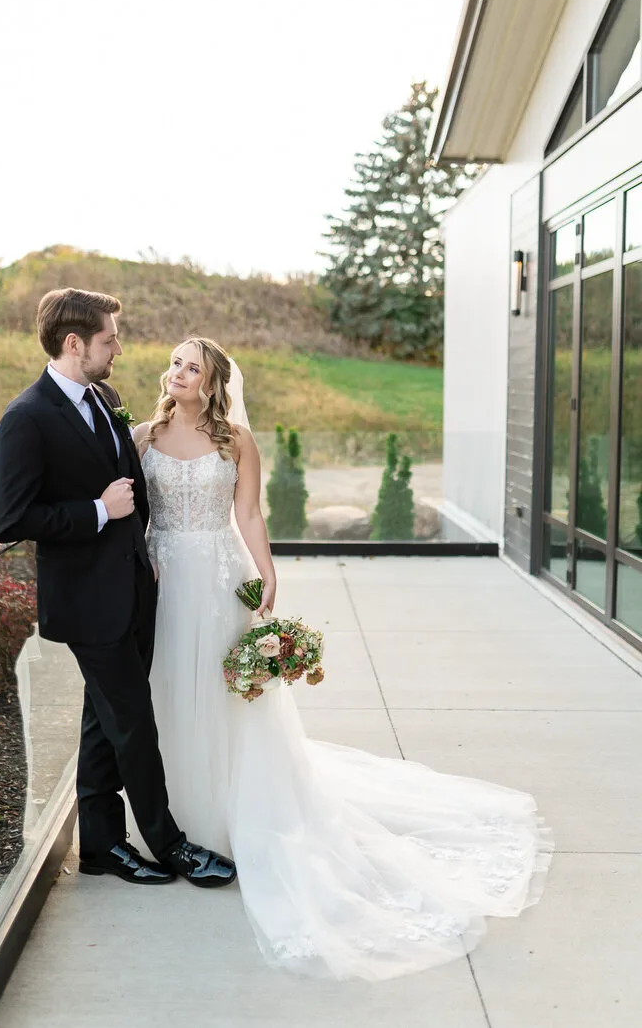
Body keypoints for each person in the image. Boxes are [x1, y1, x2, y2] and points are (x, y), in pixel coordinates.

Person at [134, 336, 553, 981]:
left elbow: (247, 510)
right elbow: (135, 517)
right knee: (168, 691)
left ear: (214, 382)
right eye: (177, 363)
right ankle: (175, 818)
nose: (180, 373)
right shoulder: (143, 435)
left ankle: (226, 815)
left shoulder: (235, 440)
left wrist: (266, 574)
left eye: (195, 367)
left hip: (220, 577)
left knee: (226, 693)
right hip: (165, 579)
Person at [0, 288, 235, 889]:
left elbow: (134, 481)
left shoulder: (106, 398)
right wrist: (96, 512)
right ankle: (171, 845)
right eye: (108, 340)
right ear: (75, 344)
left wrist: (146, 548)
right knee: (133, 721)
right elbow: (10, 520)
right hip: (87, 604)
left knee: (102, 722)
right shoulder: (27, 418)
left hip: (133, 591)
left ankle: (101, 847)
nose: (118, 349)